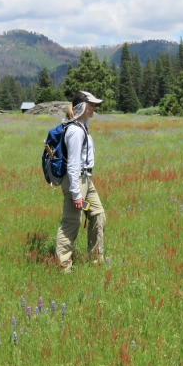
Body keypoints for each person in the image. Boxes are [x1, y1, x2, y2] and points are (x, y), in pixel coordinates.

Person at [56, 91, 106, 272]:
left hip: (86, 179)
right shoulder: (75, 131)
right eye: (91, 105)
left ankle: (96, 259)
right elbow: (73, 164)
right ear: (82, 107)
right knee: (71, 222)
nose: (94, 108)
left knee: (98, 214)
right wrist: (76, 194)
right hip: (76, 180)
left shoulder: (82, 126)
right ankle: (64, 267)